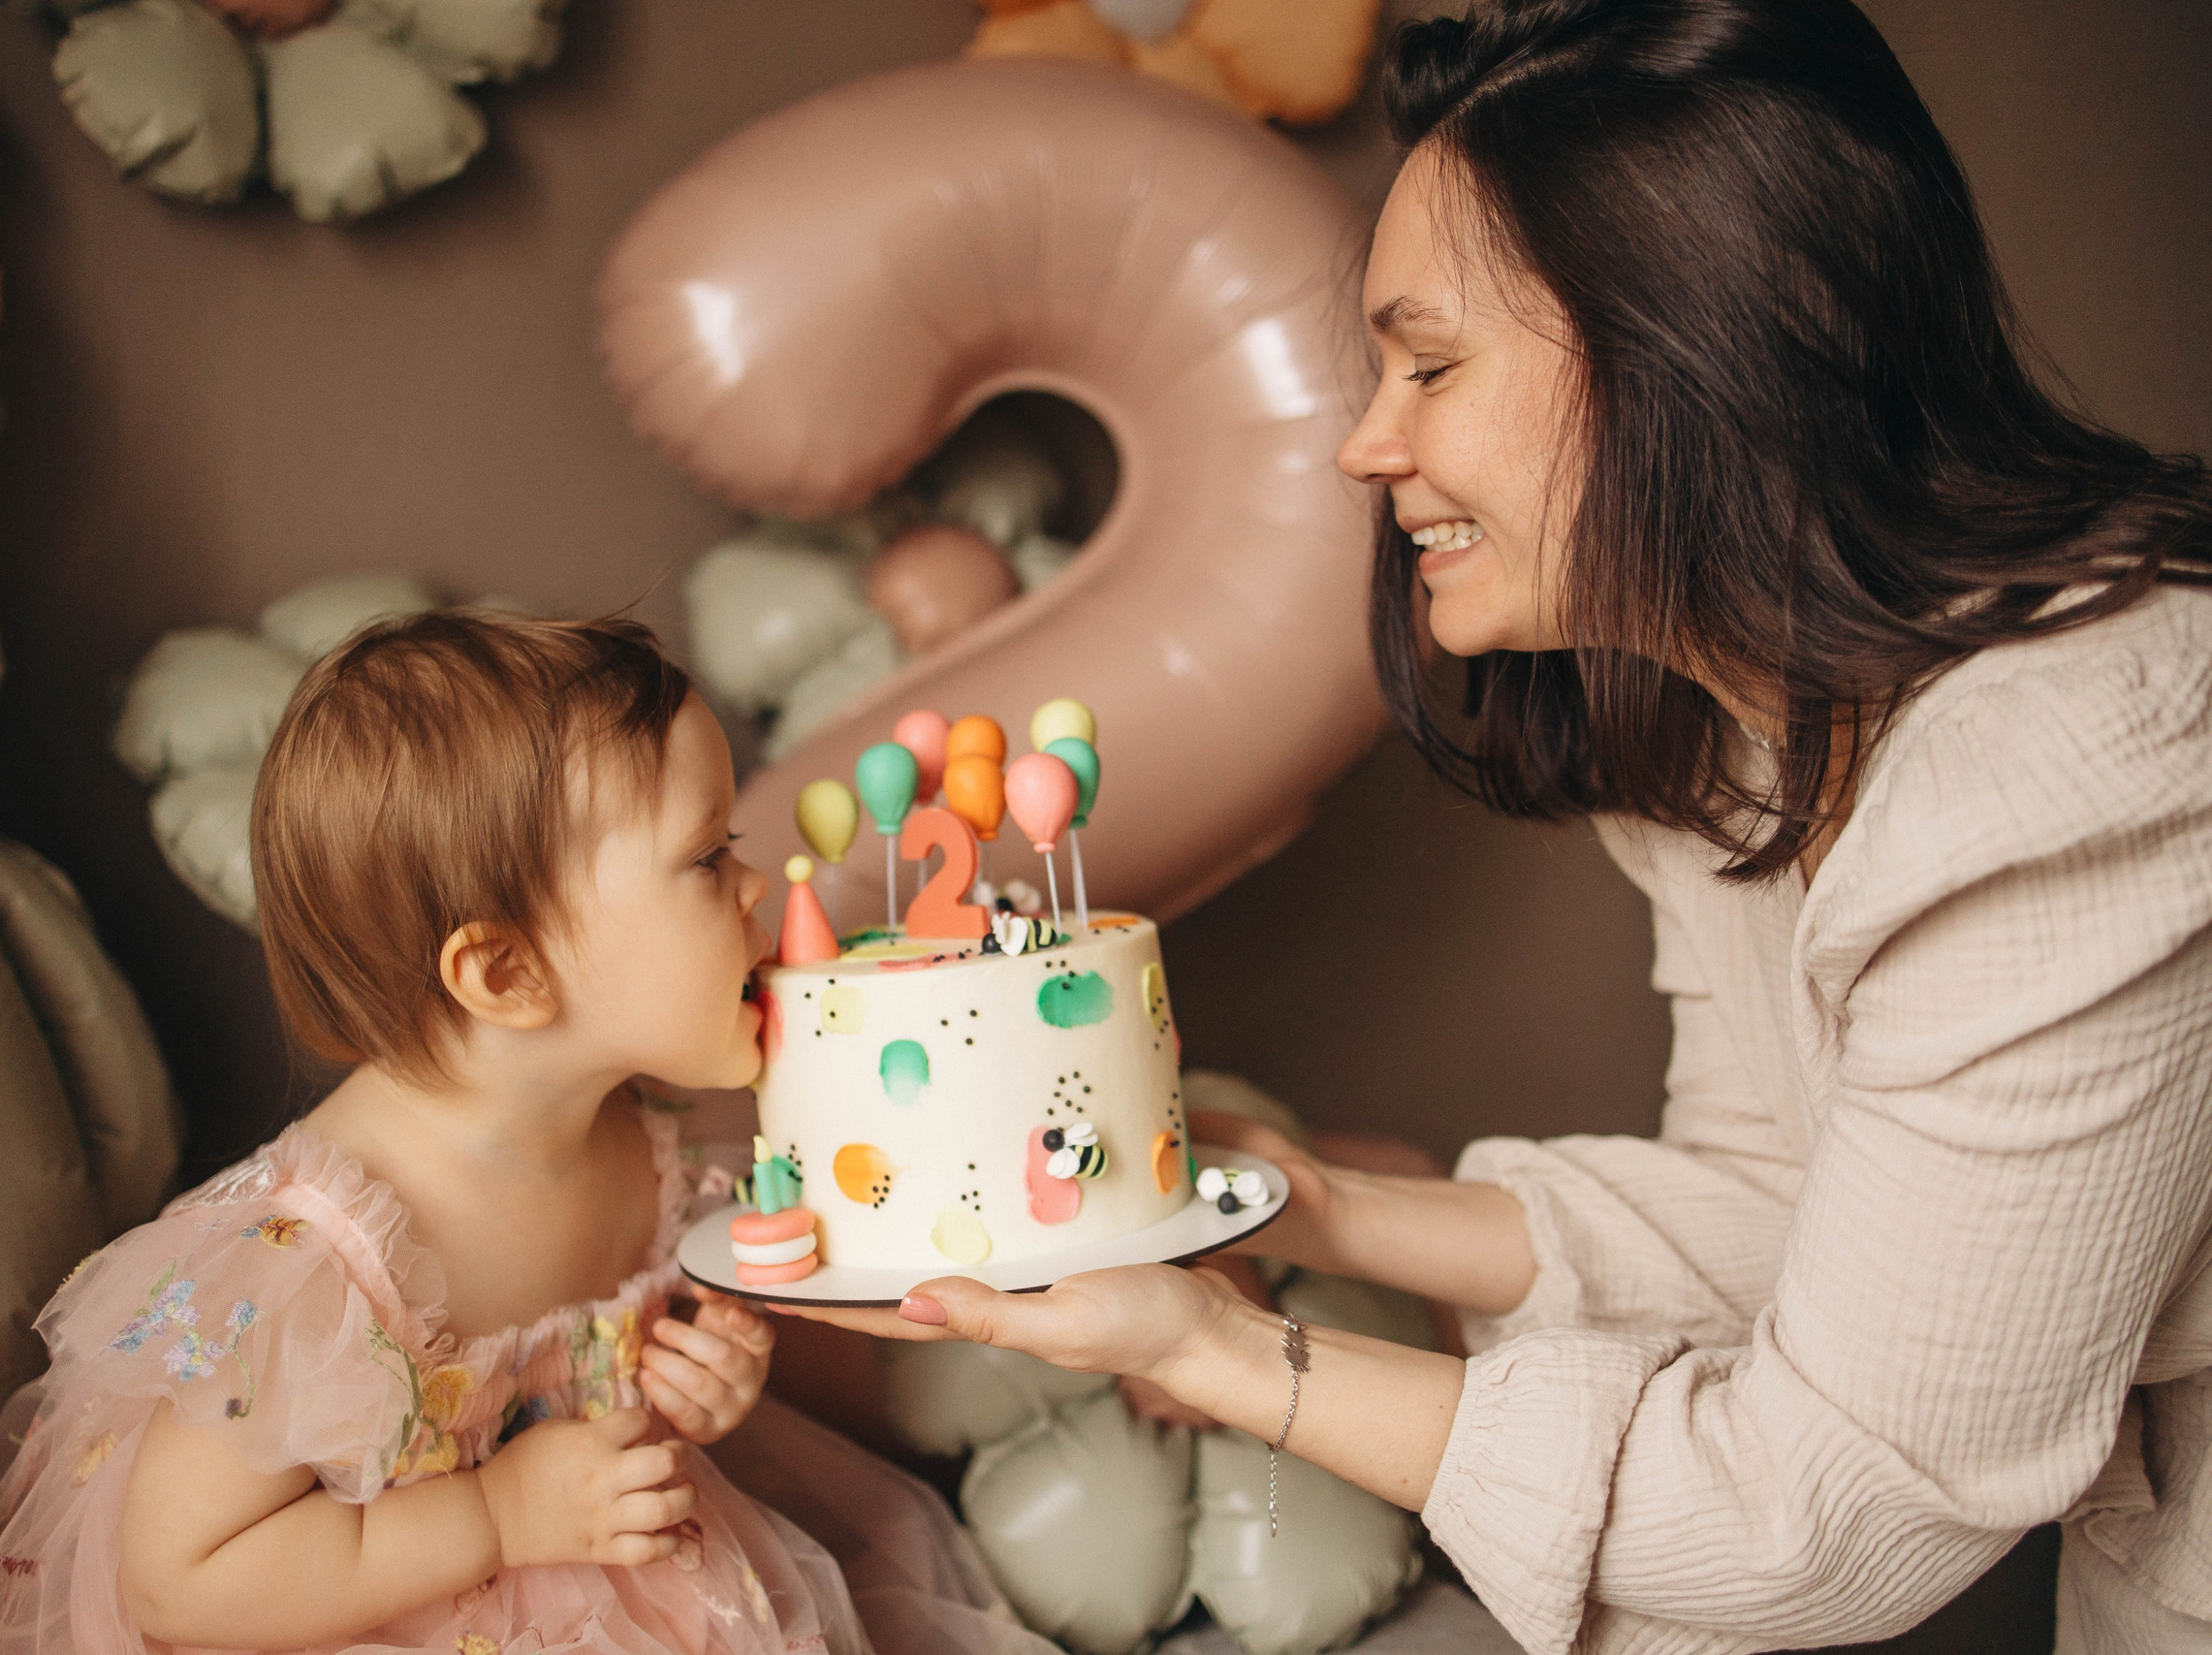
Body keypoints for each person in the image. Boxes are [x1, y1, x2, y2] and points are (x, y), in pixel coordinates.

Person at [789, 3, 2212, 1651]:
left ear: (1700, 340)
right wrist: (1301, 1205)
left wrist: (1214, 1352)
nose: (1363, 441)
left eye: (1434, 363)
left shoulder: (2077, 774)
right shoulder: (1733, 726)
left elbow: (1830, 1502)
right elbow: (1779, 1200)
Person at [0, 612, 1052, 1655]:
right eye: (705, 859)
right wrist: (495, 1516)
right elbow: (180, 1579)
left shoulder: (645, 1140)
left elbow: (600, 1401)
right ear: (505, 972)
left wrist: (693, 1389)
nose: (756, 887)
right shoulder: (312, 1268)